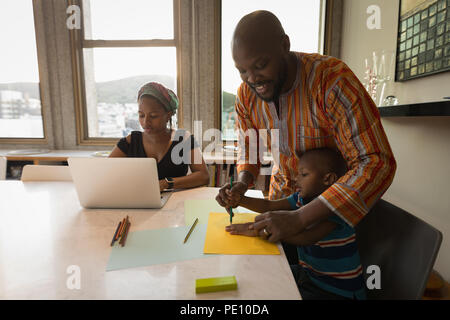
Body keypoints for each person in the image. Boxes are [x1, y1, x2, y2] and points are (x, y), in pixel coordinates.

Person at [216, 11, 396, 253]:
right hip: (279, 205)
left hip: (328, 220)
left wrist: (301, 218)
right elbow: (250, 150)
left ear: (284, 45)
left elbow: (376, 163)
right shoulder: (246, 96)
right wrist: (242, 184)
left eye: (260, 65)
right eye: (242, 71)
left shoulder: (332, 81)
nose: (252, 79)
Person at [219, 148, 366, 300]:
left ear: (328, 179)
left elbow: (306, 238)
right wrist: (240, 199)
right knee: (262, 275)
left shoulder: (335, 209)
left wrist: (256, 230)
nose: (296, 179)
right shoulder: (301, 198)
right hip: (309, 274)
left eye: (303, 174)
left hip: (335, 290)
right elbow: (269, 206)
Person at [109, 82, 210, 191]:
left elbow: (203, 176)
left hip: (176, 202)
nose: (145, 122)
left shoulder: (184, 139)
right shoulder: (130, 141)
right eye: (141, 115)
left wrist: (167, 183)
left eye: (153, 116)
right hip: (138, 202)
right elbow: (105, 172)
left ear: (168, 115)